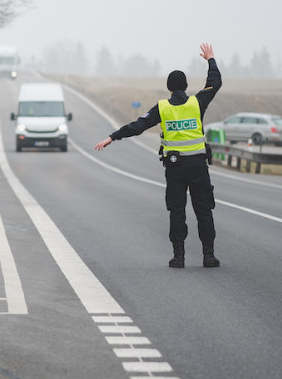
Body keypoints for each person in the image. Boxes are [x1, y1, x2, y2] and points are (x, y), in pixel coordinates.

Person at [94, 43, 222, 268]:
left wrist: (113, 137)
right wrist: (211, 59)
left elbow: (138, 126)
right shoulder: (197, 103)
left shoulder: (162, 108)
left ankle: (179, 257)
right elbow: (215, 83)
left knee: (177, 211)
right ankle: (208, 256)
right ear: (185, 86)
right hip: (198, 167)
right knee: (204, 210)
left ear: (169, 88)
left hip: (175, 168)